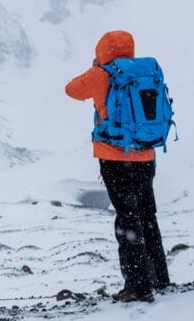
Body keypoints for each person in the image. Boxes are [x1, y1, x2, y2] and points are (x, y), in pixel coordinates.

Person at [65, 30, 170, 303]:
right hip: (146, 157)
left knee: (127, 220)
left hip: (115, 160)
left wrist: (96, 68)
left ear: (102, 50)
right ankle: (159, 277)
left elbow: (71, 90)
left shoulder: (102, 75)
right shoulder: (146, 72)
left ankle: (137, 285)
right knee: (148, 216)